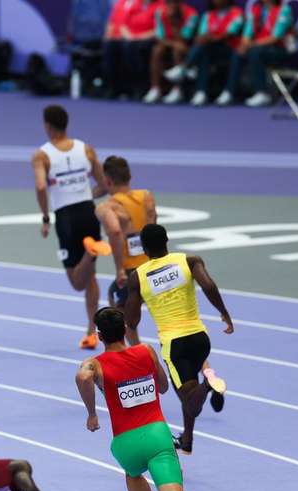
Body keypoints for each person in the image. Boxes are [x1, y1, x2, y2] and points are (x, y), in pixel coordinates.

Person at [75, 307, 203, 491]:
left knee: (133, 474)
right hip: (157, 435)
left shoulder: (96, 364)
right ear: (124, 330)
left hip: (126, 441)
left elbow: (82, 377)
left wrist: (92, 412)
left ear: (99, 335)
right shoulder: (146, 351)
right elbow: (165, 387)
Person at [123, 224, 231, 454]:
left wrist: (139, 298)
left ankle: (208, 385)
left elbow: (131, 321)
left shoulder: (138, 277)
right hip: (200, 339)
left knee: (191, 401)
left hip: (174, 344)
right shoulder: (189, 261)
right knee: (188, 385)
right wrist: (224, 313)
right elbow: (209, 286)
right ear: (167, 240)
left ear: (143, 248)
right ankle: (188, 438)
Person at [32, 105, 110, 349]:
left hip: (65, 217)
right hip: (88, 211)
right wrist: (86, 193)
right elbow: (104, 184)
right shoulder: (85, 149)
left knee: (77, 282)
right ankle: (91, 331)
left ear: (47, 125)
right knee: (91, 278)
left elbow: (42, 187)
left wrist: (46, 217)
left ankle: (88, 253)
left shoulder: (41, 155)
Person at [94, 155, 155, 346]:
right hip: (155, 265)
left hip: (132, 274)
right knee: (170, 321)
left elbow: (114, 230)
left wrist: (120, 269)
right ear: (129, 176)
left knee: (119, 319)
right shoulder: (147, 197)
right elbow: (153, 227)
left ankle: (137, 354)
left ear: (107, 181)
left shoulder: (107, 207)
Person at [164, 0, 244, 106]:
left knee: (204, 47)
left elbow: (230, 33)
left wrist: (212, 38)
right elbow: (202, 34)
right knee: (203, 52)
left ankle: (184, 68)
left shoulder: (237, 13)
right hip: (210, 48)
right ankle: (201, 92)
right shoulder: (208, 15)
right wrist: (203, 39)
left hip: (230, 49)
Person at [216, 0, 294, 107]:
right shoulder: (256, 10)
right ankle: (229, 91)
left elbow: (276, 36)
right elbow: (248, 32)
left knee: (255, 52)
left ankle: (261, 93)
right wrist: (244, 44)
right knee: (238, 53)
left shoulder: (284, 10)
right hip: (258, 49)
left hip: (279, 49)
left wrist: (252, 44)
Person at [102, 0, 160, 99]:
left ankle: (138, 87)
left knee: (130, 47)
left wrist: (138, 37)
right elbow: (124, 24)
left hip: (148, 39)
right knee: (111, 45)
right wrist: (128, 36)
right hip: (130, 38)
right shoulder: (137, 4)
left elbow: (159, 29)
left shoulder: (160, 6)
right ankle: (114, 88)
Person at [143, 0, 199, 104]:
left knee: (177, 50)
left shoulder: (192, 15)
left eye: (174, 2)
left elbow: (185, 38)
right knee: (156, 51)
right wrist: (172, 44)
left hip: (187, 46)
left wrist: (173, 22)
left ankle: (177, 90)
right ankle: (155, 89)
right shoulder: (160, 12)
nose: (171, 5)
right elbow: (159, 37)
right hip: (168, 43)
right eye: (168, 2)